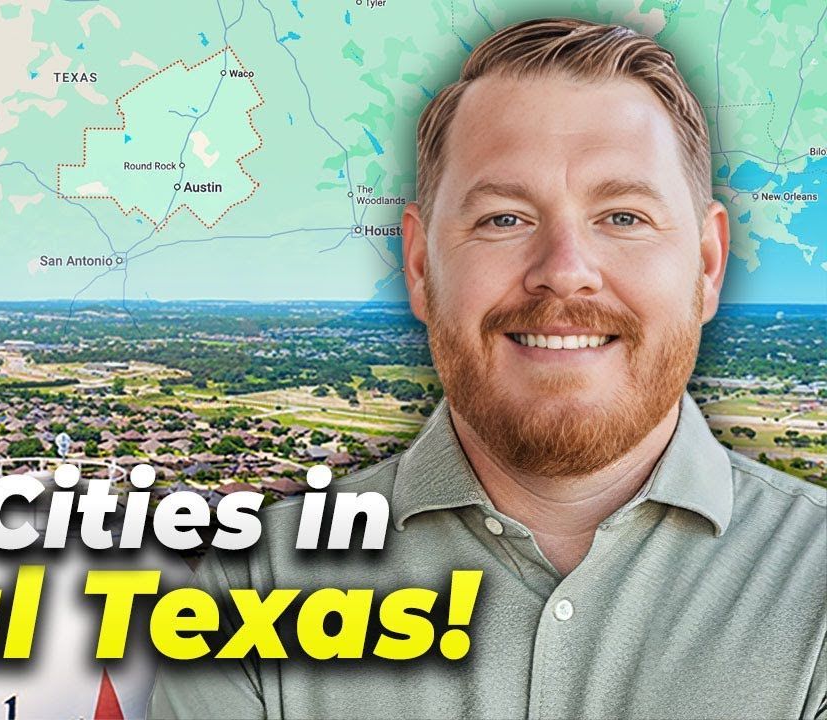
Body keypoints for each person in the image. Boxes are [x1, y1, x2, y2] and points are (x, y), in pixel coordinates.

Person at [149, 17, 826, 720]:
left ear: (709, 266)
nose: (565, 273)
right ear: (418, 266)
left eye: (623, 217)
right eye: (504, 219)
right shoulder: (254, 588)